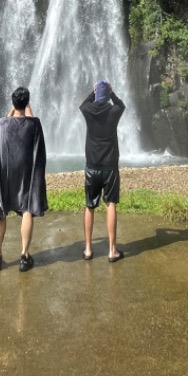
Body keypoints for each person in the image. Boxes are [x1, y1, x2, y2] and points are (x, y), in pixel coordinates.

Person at [0, 86, 47, 272]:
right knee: (27, 209)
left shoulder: (2, 124)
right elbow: (29, 118)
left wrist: (14, 107)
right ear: (26, 102)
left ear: (13, 103)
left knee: (1, 210)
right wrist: (25, 107)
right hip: (26, 173)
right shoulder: (34, 124)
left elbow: (8, 118)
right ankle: (24, 255)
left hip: (6, 173)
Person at [79, 80, 125, 262]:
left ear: (97, 95)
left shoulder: (88, 111)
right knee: (111, 204)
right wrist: (111, 93)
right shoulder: (114, 111)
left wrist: (93, 92)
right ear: (108, 97)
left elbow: (83, 104)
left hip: (92, 166)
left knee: (90, 206)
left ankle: (88, 249)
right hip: (110, 166)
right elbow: (121, 104)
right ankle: (112, 250)